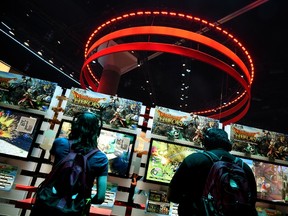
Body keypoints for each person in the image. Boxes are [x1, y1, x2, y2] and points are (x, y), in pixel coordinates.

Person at [30, 111, 109, 215]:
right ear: (97, 131)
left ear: (75, 126)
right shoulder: (101, 158)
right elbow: (100, 197)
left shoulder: (60, 143)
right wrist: (86, 201)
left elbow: (53, 164)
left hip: (47, 203)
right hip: (74, 210)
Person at [167, 128, 258, 216]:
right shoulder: (244, 168)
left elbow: (172, 196)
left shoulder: (194, 160)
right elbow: (251, 204)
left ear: (206, 142)